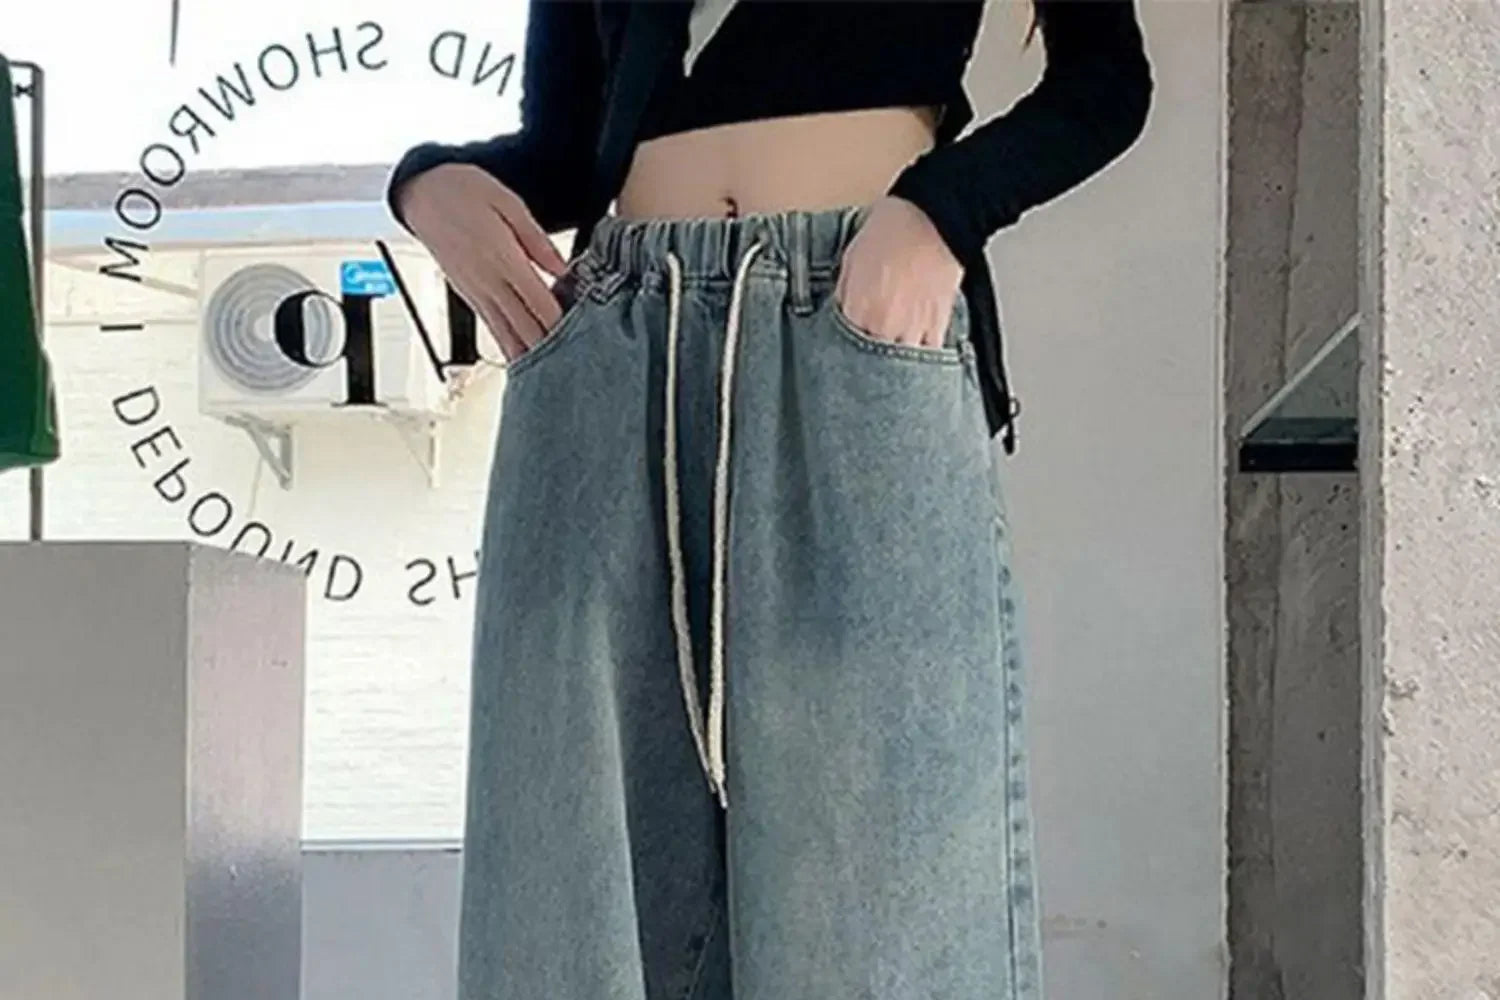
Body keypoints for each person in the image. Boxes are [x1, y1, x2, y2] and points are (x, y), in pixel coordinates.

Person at [385, 1, 1152, 996]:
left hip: (850, 329)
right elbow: (570, 150)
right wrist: (428, 184)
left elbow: (1103, 84)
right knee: (569, 875)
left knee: (881, 889)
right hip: (616, 348)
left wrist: (941, 213)